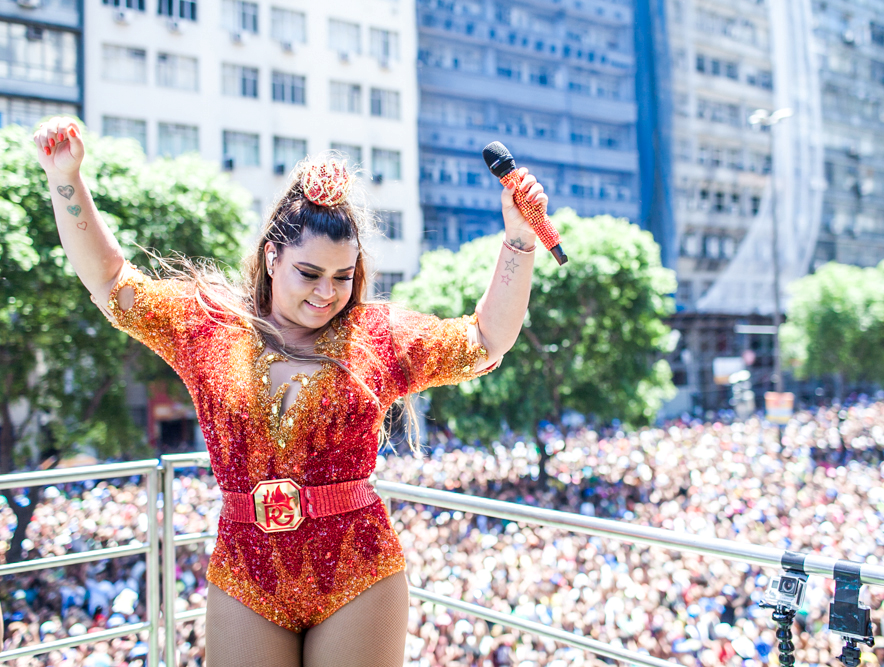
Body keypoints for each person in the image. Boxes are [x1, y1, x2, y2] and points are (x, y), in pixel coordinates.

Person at [33, 117, 547, 667]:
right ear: (272, 256)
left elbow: (487, 340)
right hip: (244, 575)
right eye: (309, 272)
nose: (328, 293)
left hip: (359, 575)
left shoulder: (378, 337)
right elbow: (110, 282)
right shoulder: (205, 327)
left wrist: (519, 239)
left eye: (343, 276)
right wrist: (66, 179)